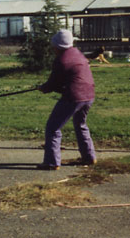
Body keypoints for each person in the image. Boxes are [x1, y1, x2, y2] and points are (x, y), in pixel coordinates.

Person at [36, 29, 96, 170]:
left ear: (58, 46)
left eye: (54, 46)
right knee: (81, 124)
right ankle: (89, 157)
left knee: (53, 128)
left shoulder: (61, 60)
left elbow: (53, 84)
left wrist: (43, 88)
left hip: (73, 97)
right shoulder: (78, 54)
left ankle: (52, 162)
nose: (53, 49)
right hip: (89, 95)